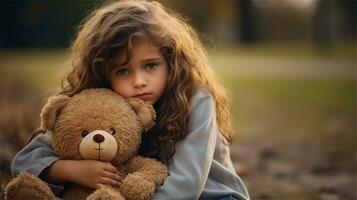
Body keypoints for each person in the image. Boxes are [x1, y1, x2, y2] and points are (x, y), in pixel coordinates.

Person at [11, 1, 250, 199]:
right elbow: (23, 161)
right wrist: (67, 170)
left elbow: (186, 185)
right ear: (104, 74)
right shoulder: (103, 104)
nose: (139, 81)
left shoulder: (195, 100)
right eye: (123, 71)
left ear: (171, 61)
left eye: (150, 66)